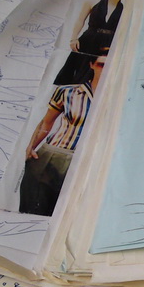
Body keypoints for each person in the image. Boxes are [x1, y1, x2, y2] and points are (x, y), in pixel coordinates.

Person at [19, 55, 106, 216]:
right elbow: (47, 122)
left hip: (88, 162)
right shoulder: (67, 92)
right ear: (92, 65)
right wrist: (31, 147)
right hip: (53, 156)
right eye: (101, 65)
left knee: (69, 216)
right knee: (34, 210)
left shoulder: (119, 99)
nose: (105, 70)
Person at [53, 0, 126, 85]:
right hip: (89, 39)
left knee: (97, 70)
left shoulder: (125, 9)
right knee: (79, 66)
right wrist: (74, 38)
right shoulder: (92, 2)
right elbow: (80, 20)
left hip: (108, 42)